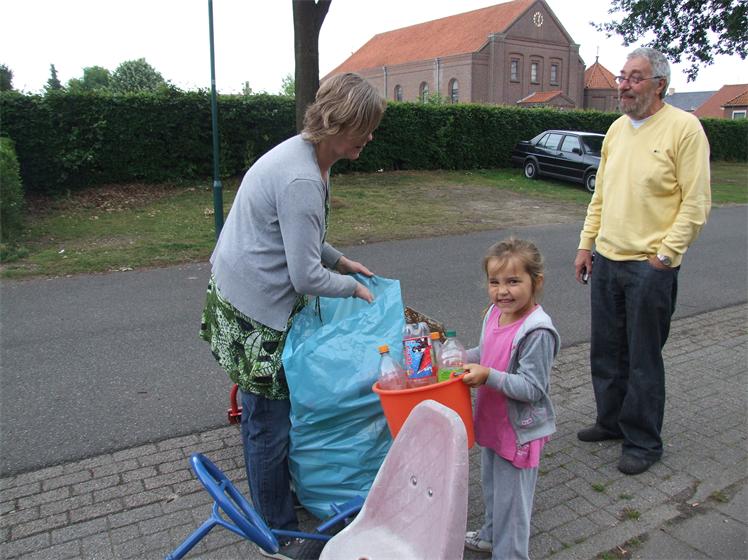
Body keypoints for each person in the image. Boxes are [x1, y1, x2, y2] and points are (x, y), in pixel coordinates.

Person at [199, 73, 386, 559]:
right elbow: (304, 277)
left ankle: (275, 500)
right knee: (267, 422)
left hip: (240, 289)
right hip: (254, 310)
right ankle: (277, 535)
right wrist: (352, 289)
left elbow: (300, 237)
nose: (369, 137)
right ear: (338, 123)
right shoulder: (302, 176)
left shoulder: (308, 157)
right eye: (363, 127)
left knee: (264, 415)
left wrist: (340, 260)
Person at [574, 47, 711, 476]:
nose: (624, 86)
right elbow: (601, 195)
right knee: (606, 351)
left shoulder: (684, 129)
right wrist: (586, 245)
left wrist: (665, 257)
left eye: (635, 78)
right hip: (606, 260)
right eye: (622, 77)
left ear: (659, 85)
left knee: (643, 358)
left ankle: (644, 442)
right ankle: (611, 421)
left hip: (649, 267)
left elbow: (696, 203)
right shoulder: (616, 130)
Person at [461, 238, 560, 560]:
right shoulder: (494, 313)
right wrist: (457, 358)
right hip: (493, 423)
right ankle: (491, 536)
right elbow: (486, 352)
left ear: (536, 282)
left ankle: (511, 553)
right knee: (493, 491)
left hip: (518, 432)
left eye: (514, 281)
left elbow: (532, 388)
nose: (502, 291)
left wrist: (487, 375)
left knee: (513, 506)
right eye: (495, 282)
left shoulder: (537, 331)